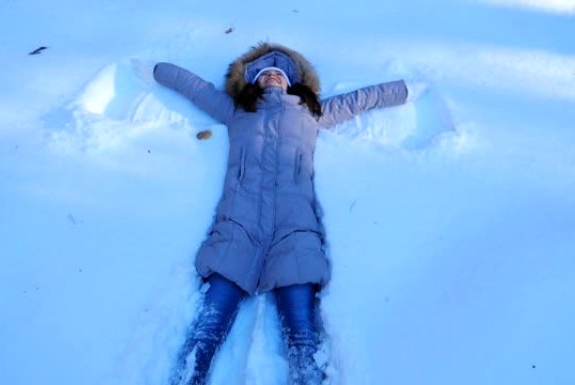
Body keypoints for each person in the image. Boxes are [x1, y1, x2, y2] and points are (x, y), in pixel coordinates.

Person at [153, 42, 418, 385]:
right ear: (255, 82)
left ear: (291, 82)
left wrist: (404, 90)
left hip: (295, 227)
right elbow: (196, 89)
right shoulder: (238, 111)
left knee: (303, 334)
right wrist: (159, 70)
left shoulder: (309, 112)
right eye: (266, 74)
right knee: (208, 327)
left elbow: (359, 100)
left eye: (279, 73)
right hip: (239, 222)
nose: (273, 77)